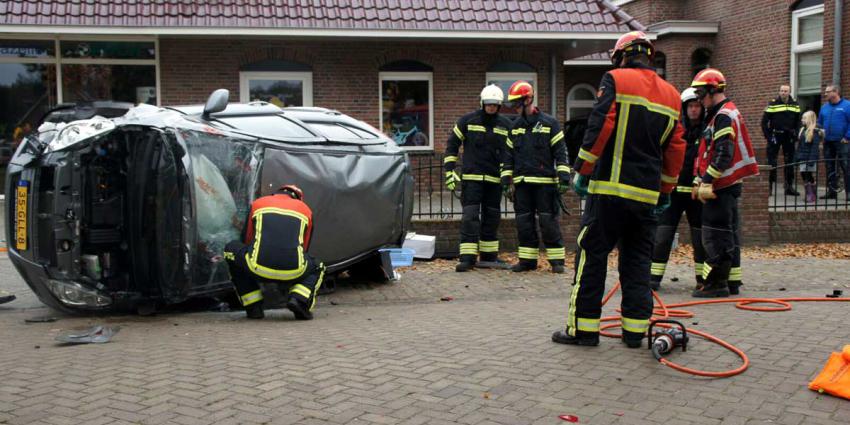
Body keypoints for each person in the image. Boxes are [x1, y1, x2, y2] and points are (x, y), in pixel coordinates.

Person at [552, 31, 685, 347]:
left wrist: (583, 169)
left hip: (609, 192)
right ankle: (635, 333)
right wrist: (666, 190)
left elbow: (600, 125)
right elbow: (676, 147)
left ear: (621, 56)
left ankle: (583, 330)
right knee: (638, 262)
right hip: (646, 197)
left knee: (592, 257)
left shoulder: (615, 79)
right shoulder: (672, 95)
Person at [691, 68, 759, 298]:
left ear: (712, 90)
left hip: (721, 187)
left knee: (716, 236)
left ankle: (716, 284)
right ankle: (731, 281)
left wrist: (707, 181)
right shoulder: (722, 113)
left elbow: (723, 154)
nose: (699, 99)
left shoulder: (723, 116)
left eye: (701, 94)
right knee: (727, 234)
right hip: (726, 186)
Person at [223, 185, 325, 320]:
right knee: (318, 266)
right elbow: (304, 248)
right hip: (293, 271)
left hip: (257, 267)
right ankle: (299, 300)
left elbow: (247, 238)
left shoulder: (258, 203)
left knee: (231, 249)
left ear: (275, 193)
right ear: (298, 198)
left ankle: (253, 307)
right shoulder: (305, 210)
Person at [501, 80, 571, 273]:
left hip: (545, 184)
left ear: (528, 100)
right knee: (524, 223)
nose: (514, 108)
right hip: (522, 185)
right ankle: (527, 261)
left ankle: (557, 262)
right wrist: (505, 181)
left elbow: (561, 152)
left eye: (517, 103)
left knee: (548, 222)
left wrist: (564, 177)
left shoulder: (549, 123)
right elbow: (508, 157)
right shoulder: (515, 127)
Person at [444, 85, 513, 271]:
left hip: (494, 181)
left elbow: (511, 152)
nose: (491, 107)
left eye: (495, 105)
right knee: (470, 217)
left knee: (492, 218)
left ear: (499, 105)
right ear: (482, 103)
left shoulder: (506, 125)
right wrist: (449, 170)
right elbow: (452, 144)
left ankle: (489, 257)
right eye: (488, 104)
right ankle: (467, 258)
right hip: (471, 179)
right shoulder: (467, 121)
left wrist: (508, 175)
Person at [650, 88, 707, 291]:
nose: (694, 110)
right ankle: (653, 279)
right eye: (690, 106)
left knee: (700, 239)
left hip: (696, 193)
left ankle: (702, 279)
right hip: (673, 193)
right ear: (684, 108)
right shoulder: (675, 129)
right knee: (662, 236)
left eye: (697, 106)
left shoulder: (707, 130)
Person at [761, 85, 801, 195]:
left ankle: (789, 187)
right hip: (775, 136)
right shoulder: (773, 103)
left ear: (789, 92)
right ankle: (769, 187)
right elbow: (764, 122)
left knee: (790, 162)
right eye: (781, 91)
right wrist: (769, 137)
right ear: (779, 92)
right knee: (771, 162)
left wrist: (796, 134)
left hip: (789, 136)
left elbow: (798, 122)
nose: (783, 93)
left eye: (785, 91)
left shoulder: (795, 104)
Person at [817, 85, 850, 200]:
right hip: (828, 142)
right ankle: (832, 192)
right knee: (829, 166)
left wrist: (847, 137)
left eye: (828, 92)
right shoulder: (824, 107)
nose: (825, 94)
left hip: (843, 142)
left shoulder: (847, 105)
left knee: (846, 166)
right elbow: (820, 123)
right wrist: (819, 131)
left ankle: (849, 193)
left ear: (836, 92)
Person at [795, 111, 824, 203]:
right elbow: (799, 146)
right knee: (803, 175)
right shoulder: (802, 130)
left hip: (809, 157)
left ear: (809, 119)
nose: (802, 120)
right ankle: (810, 193)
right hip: (802, 156)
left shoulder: (815, 131)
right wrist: (796, 157)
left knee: (808, 175)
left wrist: (812, 160)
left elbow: (815, 147)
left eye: (804, 118)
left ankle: (811, 195)